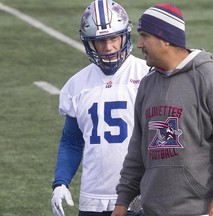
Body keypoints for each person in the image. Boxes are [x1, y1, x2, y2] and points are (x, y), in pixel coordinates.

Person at [112, 3, 213, 216]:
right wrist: (123, 201)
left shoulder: (209, 77)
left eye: (144, 36)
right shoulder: (147, 84)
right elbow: (136, 151)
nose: (139, 44)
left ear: (165, 38)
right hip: (153, 210)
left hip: (202, 209)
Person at [50, 0, 149, 215]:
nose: (108, 47)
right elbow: (72, 141)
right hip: (93, 198)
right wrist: (60, 182)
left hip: (140, 195)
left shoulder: (147, 76)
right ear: (89, 43)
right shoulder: (77, 84)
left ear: (125, 35)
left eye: (113, 37)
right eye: (100, 41)